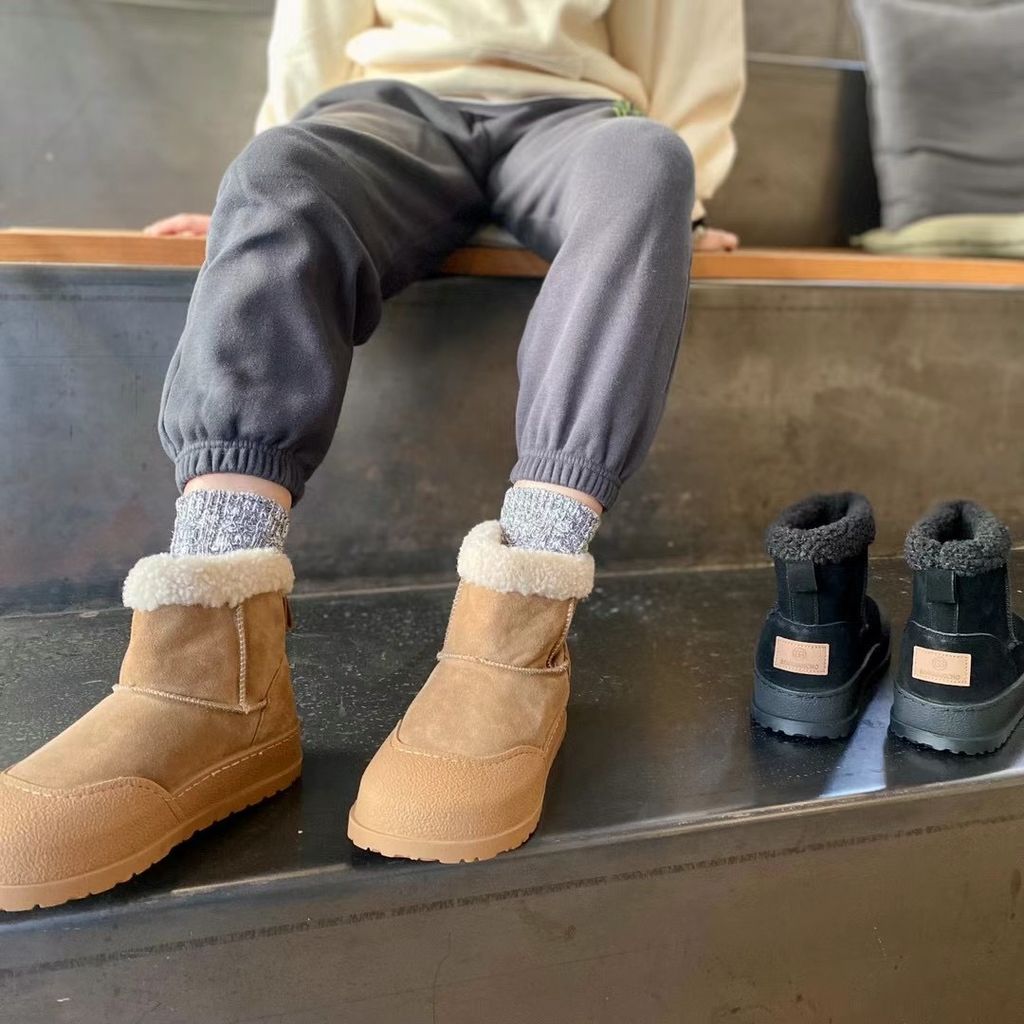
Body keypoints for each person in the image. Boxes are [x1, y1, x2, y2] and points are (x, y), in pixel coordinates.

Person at [0, 0, 745, 910]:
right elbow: (316, 24)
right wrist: (254, 201)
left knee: (648, 161)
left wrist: (682, 205)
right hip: (393, 109)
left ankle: (515, 632)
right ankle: (209, 674)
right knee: (281, 168)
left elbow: (691, 36)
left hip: (574, 114)